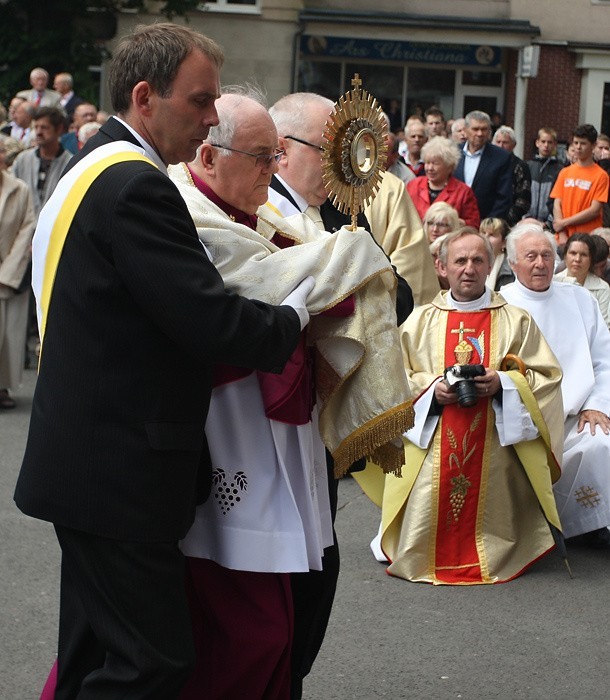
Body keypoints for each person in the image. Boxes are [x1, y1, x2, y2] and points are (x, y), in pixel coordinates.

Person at [14, 23, 313, 699]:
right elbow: (209, 319)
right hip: (122, 471)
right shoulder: (138, 185)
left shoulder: (89, 164)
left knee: (93, 654)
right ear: (145, 96)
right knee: (152, 662)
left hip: (90, 458)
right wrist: (298, 310)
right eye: (201, 101)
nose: (212, 120)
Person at [168, 88, 411, 700]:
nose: (273, 169)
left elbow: (390, 288)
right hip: (231, 428)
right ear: (209, 152)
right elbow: (252, 298)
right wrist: (328, 280)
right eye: (262, 156)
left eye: (275, 157)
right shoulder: (188, 212)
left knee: (295, 614)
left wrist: (347, 263)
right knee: (253, 627)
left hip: (294, 429)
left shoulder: (283, 217)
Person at [267, 89, 415, 699]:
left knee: (315, 577)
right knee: (283, 595)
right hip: (270, 432)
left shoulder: (334, 216)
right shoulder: (262, 216)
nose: (339, 164)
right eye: (327, 148)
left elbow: (398, 294)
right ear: (281, 151)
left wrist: (357, 263)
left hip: (317, 433)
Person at [356, 228, 564, 584]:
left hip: (496, 445)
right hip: (432, 441)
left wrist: (504, 383)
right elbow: (393, 378)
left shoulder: (517, 320)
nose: (469, 268)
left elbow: (546, 378)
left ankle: (497, 548)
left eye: (478, 260)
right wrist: (431, 391)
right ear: (442, 267)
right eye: (460, 260)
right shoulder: (419, 321)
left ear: (490, 267)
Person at [501, 223, 610, 548]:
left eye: (547, 255)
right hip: (523, 422)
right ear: (512, 263)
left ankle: (595, 525)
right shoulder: (501, 304)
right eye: (530, 256)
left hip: (576, 418)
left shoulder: (579, 299)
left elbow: (604, 359)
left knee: (602, 443)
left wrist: (598, 404)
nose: (540, 263)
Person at [0, 140, 35, 409]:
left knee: (8, 334)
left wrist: (8, 272)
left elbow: (27, 229)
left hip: (9, 271)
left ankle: (2, 387)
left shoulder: (18, 189)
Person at [551, 124, 609, 243]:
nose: (578, 147)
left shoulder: (601, 175)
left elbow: (594, 210)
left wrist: (563, 223)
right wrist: (561, 232)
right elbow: (557, 203)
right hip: (563, 237)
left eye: (583, 143)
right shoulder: (564, 172)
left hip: (588, 238)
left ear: (593, 146)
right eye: (575, 143)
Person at [11, 107, 72, 217]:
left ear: (59, 129)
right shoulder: (23, 160)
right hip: (25, 228)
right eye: (36, 127)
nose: (38, 132)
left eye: (44, 128)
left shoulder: (71, 163)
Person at [407, 135, 480, 228]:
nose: (430, 168)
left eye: (435, 163)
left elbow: (473, 225)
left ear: (449, 167)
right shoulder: (413, 185)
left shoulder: (463, 192)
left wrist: (453, 223)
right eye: (427, 163)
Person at [454, 110, 512, 220]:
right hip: (454, 220)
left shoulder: (501, 157)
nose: (480, 134)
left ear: (489, 131)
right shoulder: (453, 152)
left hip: (485, 224)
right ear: (466, 130)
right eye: (475, 129)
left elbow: (504, 197)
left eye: (484, 129)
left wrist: (489, 224)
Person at [553, 232, 610, 329]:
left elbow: (604, 327)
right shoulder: (554, 282)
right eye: (573, 253)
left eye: (583, 255)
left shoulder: (602, 288)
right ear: (565, 256)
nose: (577, 259)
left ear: (591, 259)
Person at [492, 125, 532, 226]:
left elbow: (524, 199)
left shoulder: (520, 166)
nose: (501, 146)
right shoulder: (487, 164)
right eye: (498, 142)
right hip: (486, 219)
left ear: (513, 145)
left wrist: (506, 219)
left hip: (508, 223)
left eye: (505, 143)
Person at [526, 127, 563, 226]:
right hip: (526, 220)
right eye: (543, 141)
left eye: (550, 142)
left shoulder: (560, 169)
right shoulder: (528, 166)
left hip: (548, 223)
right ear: (537, 143)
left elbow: (558, 199)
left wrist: (550, 221)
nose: (546, 145)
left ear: (555, 145)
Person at [480, 217, 514, 290]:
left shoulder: (511, 270)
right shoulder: (472, 263)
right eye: (483, 233)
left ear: (504, 243)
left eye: (492, 235)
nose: (485, 237)